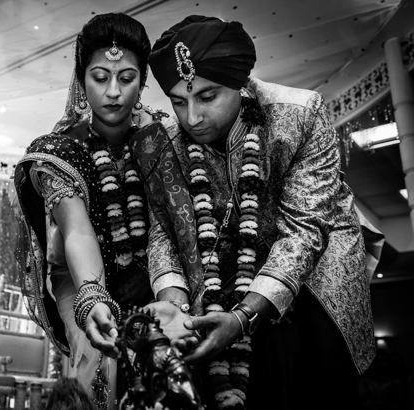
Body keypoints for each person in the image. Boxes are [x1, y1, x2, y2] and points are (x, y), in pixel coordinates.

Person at [129, 15, 384, 410]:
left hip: (321, 257)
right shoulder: (168, 141)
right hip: (228, 263)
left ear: (239, 82)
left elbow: (303, 228)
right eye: (179, 101)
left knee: (323, 372)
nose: (192, 117)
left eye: (207, 97)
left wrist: (245, 315)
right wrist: (174, 302)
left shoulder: (300, 114)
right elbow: (165, 228)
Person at [14, 13, 164, 410]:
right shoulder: (58, 150)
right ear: (82, 80)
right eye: (100, 77)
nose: (113, 92)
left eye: (127, 78)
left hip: (152, 269)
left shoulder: (162, 136)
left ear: (143, 80)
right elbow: (78, 232)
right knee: (99, 359)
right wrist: (94, 297)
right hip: (80, 275)